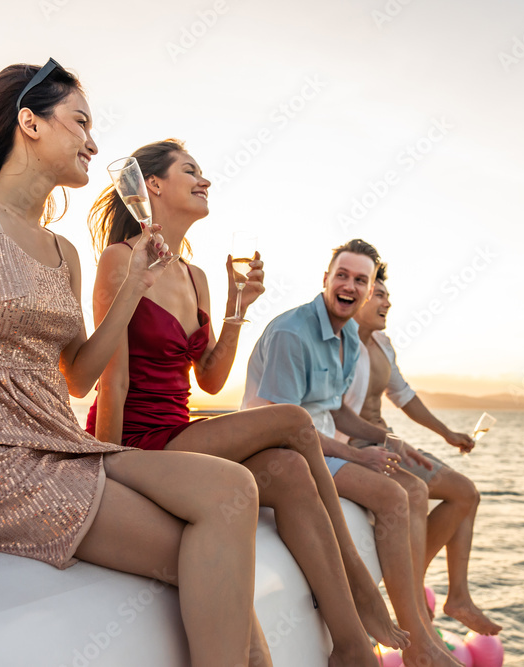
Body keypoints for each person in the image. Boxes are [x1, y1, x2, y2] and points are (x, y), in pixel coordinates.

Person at [0, 61, 269, 666]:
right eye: (80, 121)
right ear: (28, 122)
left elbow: (78, 376)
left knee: (233, 489)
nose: (93, 141)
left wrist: (136, 284)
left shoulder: (65, 253)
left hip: (57, 444)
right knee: (204, 556)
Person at [85, 140, 408, 666]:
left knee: (288, 470)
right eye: (191, 171)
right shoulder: (120, 262)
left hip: (179, 426)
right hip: (137, 438)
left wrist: (237, 308)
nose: (205, 180)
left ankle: (351, 647)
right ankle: (358, 581)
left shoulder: (197, 277)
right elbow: (112, 385)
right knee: (293, 421)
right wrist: (104, 469)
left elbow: (210, 380)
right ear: (153, 186)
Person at [242, 239, 463, 667]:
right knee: (392, 496)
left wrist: (386, 441)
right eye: (342, 275)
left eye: (360, 280)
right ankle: (416, 644)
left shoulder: (350, 343)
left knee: (414, 488)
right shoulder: (293, 332)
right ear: (325, 279)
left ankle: (419, 626)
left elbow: (335, 411)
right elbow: (285, 427)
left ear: (366, 291)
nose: (349, 285)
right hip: (281, 450)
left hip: (322, 444)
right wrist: (361, 457)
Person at [340, 271, 502, 636]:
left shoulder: (382, 345)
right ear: (361, 295)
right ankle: (411, 599)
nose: (387, 303)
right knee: (414, 490)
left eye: (387, 295)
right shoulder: (337, 341)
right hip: (353, 447)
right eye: (379, 294)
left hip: (386, 441)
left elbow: (405, 397)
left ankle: (456, 596)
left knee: (465, 492)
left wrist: (448, 433)